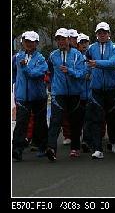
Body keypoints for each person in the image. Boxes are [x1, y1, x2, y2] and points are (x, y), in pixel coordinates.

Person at [46, 28, 85, 161]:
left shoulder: (77, 55)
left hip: (74, 93)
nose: (61, 41)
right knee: (55, 120)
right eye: (58, 39)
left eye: (63, 39)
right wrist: (52, 84)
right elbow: (49, 71)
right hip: (59, 93)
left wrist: (70, 71)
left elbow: (82, 73)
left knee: (75, 122)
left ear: (69, 40)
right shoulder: (52, 55)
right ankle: (51, 148)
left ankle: (75, 147)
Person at [85, 22, 115, 159]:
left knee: (113, 118)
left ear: (109, 34)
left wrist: (97, 63)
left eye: (104, 32)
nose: (102, 35)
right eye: (99, 33)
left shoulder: (114, 47)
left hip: (112, 88)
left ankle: (114, 142)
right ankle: (97, 148)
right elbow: (87, 62)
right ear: (96, 34)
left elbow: (114, 63)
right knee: (96, 119)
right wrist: (88, 71)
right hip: (96, 89)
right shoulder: (91, 48)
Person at [12, 31, 49, 161]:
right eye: (26, 41)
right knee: (21, 123)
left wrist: (25, 68)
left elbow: (35, 74)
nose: (29, 44)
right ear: (22, 42)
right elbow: (13, 72)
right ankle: (17, 150)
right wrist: (14, 84)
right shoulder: (17, 57)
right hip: (22, 97)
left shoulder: (41, 59)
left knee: (40, 123)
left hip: (38, 96)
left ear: (36, 43)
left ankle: (43, 147)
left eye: (32, 41)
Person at [76, 33, 93, 153]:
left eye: (86, 42)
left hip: (91, 93)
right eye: (81, 42)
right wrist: (83, 74)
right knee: (78, 119)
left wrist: (90, 74)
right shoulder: (75, 57)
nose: (84, 45)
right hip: (79, 93)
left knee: (89, 118)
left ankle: (86, 141)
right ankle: (76, 140)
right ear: (78, 44)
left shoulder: (92, 56)